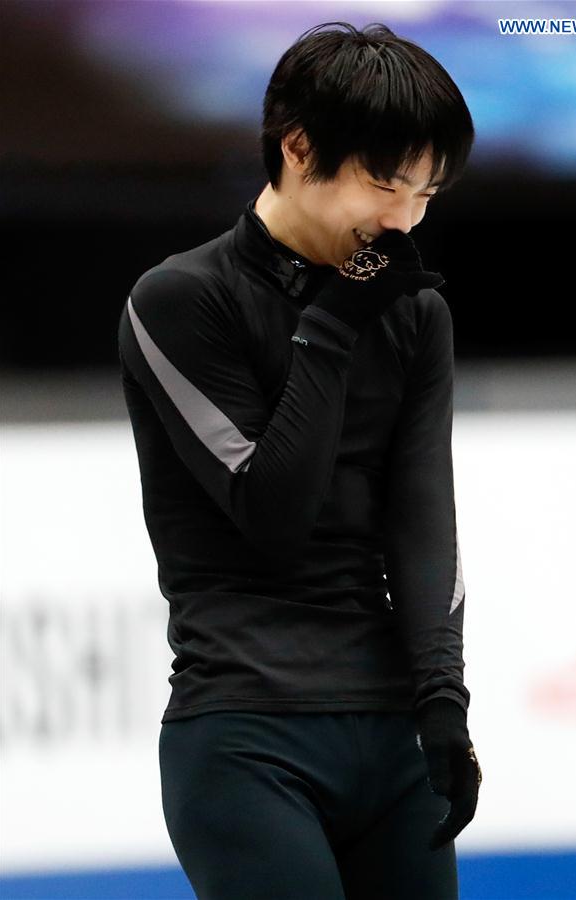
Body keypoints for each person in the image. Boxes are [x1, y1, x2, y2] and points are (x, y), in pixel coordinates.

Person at [118, 20, 482, 900]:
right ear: (298, 146)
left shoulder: (412, 316)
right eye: (384, 182)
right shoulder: (178, 300)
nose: (402, 219)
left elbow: (421, 510)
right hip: (247, 735)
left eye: (426, 193)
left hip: (392, 737)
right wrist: (330, 323)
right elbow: (272, 515)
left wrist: (442, 697)